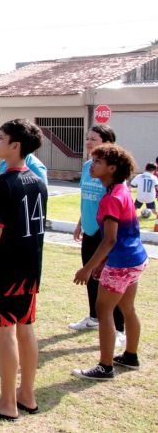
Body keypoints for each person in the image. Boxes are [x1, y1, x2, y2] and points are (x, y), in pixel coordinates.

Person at [0, 119, 48, 421]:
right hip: (30, 268)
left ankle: (7, 403)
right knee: (25, 328)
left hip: (7, 270)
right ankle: (27, 395)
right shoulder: (38, 180)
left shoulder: (3, 182)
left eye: (1, 138)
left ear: (16, 146)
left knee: (5, 333)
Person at [72, 144, 148, 380]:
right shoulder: (121, 190)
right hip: (135, 259)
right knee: (127, 308)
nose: (92, 165)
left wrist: (88, 268)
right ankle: (130, 356)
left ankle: (105, 367)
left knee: (103, 310)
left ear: (112, 168)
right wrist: (103, 263)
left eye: (98, 162)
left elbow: (110, 240)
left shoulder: (111, 197)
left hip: (122, 261)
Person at [70, 124, 125, 345]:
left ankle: (119, 329)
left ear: (107, 143)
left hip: (106, 234)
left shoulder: (113, 172)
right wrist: (80, 223)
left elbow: (115, 205)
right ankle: (93, 317)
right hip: (90, 230)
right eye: (88, 138)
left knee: (110, 281)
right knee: (91, 276)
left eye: (93, 139)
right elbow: (87, 198)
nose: (88, 142)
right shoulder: (87, 167)